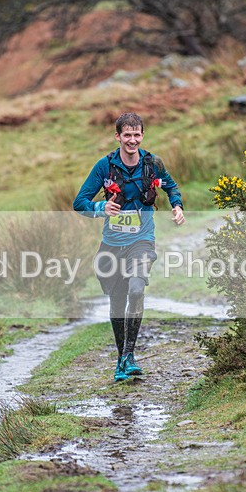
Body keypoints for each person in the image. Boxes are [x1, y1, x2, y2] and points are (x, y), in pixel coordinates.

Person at [73, 112, 185, 382]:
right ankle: (121, 358)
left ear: (142, 136)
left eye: (137, 135)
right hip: (111, 245)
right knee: (117, 300)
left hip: (142, 241)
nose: (132, 140)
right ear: (118, 137)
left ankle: (129, 356)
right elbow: (80, 202)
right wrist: (101, 207)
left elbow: (171, 187)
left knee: (136, 289)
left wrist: (177, 206)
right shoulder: (104, 166)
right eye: (127, 135)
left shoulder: (153, 163)